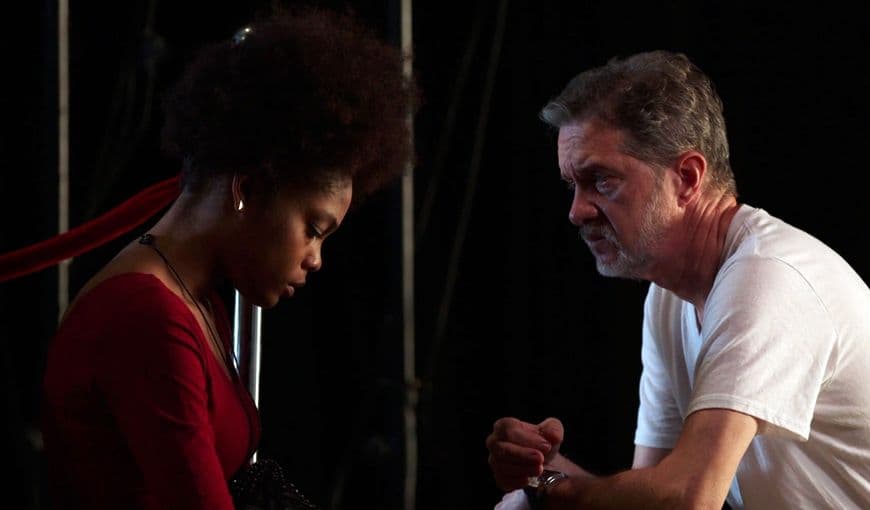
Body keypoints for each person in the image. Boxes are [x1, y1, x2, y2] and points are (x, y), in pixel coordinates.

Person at [41, 6, 417, 509]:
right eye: (313, 230)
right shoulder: (147, 315)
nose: (316, 259)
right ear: (247, 189)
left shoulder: (195, 301)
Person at [486, 50, 870, 509]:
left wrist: (553, 491)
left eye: (601, 180)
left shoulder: (770, 278)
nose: (576, 211)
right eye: (573, 185)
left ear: (687, 178)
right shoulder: (668, 298)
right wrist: (544, 471)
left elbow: (689, 498)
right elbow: (651, 496)